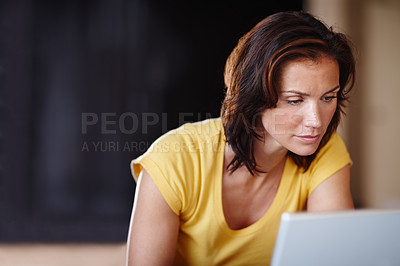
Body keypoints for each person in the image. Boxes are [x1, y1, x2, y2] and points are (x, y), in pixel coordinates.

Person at [126, 10, 356, 266]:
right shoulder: (175, 159)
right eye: (294, 100)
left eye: (328, 97)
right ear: (254, 96)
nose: (316, 121)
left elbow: (336, 258)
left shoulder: (326, 150)